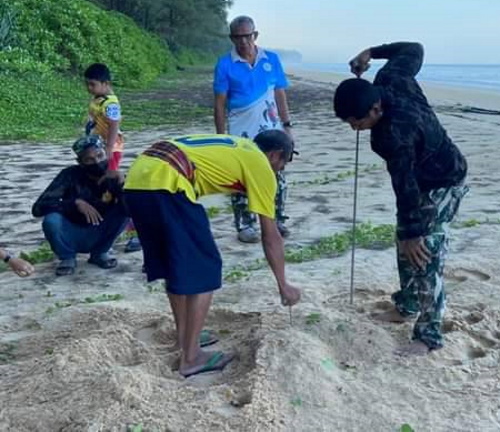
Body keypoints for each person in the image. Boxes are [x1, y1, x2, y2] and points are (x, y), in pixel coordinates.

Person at [123, 130, 301, 377]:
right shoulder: (261, 165)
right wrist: (284, 285)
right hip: (168, 181)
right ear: (275, 155)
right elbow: (270, 236)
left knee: (175, 266)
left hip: (137, 178)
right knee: (205, 267)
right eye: (285, 163)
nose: (281, 170)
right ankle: (192, 357)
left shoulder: (239, 146)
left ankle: (185, 337)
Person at [333, 42, 469, 356]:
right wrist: (371, 52)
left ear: (376, 110)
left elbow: (404, 187)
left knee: (425, 251)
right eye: (349, 122)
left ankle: (429, 335)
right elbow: (413, 50)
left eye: (358, 122)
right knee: (404, 239)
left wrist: (414, 233)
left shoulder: (392, 136)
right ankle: (407, 305)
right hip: (421, 178)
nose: (355, 128)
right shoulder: (391, 77)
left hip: (445, 179)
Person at [213, 15, 295, 243]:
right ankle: (246, 225)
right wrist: (221, 139)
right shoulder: (225, 64)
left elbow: (280, 93)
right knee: (240, 179)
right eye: (238, 37)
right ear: (232, 38)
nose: (243, 42)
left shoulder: (272, 59)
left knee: (277, 176)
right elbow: (219, 104)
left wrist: (287, 126)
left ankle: (278, 220)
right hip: (241, 130)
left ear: (255, 35)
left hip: (272, 129)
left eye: (247, 36)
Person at [32, 136, 129, 276]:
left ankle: (100, 253)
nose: (96, 161)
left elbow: (132, 211)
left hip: (101, 230)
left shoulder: (115, 177)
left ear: (106, 154)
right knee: (51, 220)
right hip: (72, 231)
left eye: (100, 155)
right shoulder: (69, 175)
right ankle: (67, 257)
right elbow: (38, 208)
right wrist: (75, 203)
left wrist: (122, 185)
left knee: (123, 213)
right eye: (89, 159)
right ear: (80, 162)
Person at [84, 62, 141, 253]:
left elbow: (114, 125)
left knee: (113, 188)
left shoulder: (111, 103)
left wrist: (108, 148)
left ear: (105, 83)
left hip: (110, 151)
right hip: (98, 150)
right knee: (102, 188)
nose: (89, 88)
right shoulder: (98, 99)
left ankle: (134, 231)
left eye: (92, 84)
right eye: (87, 84)